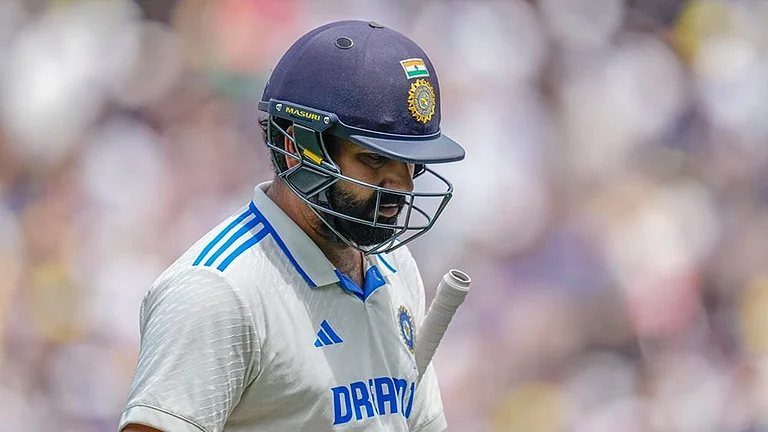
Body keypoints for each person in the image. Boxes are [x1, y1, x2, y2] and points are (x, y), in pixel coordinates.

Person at [119, 20, 465, 432]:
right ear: (296, 147)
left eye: (411, 163)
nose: (402, 186)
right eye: (374, 159)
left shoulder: (396, 270)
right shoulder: (218, 291)